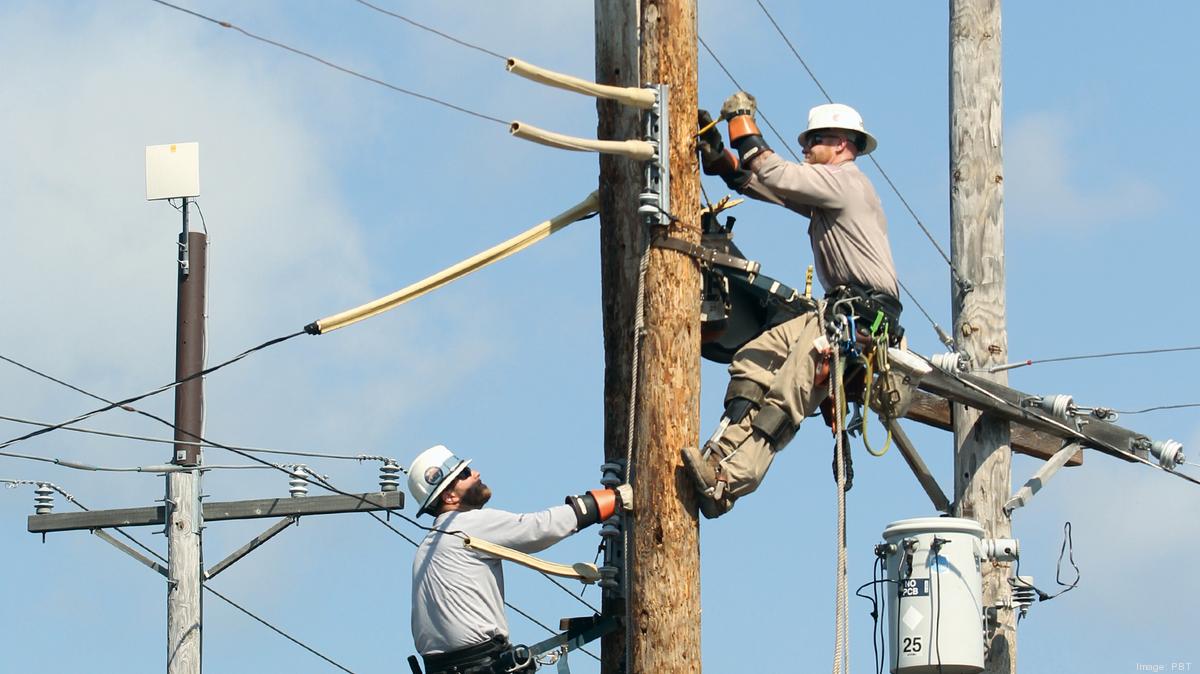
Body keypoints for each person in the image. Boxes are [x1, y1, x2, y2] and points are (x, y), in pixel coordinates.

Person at [682, 93, 902, 518]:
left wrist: (741, 123)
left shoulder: (847, 181)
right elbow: (766, 185)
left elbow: (773, 170)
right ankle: (716, 457)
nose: (806, 148)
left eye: (814, 140)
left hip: (861, 319)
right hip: (834, 311)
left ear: (842, 144)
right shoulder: (829, 189)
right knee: (753, 359)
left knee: (787, 394)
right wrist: (721, 160)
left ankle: (728, 482)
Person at [408, 444, 629, 674]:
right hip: (480, 664)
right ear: (449, 496)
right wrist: (608, 500)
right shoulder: (463, 524)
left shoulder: (425, 548)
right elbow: (539, 528)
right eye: (464, 474)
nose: (476, 474)